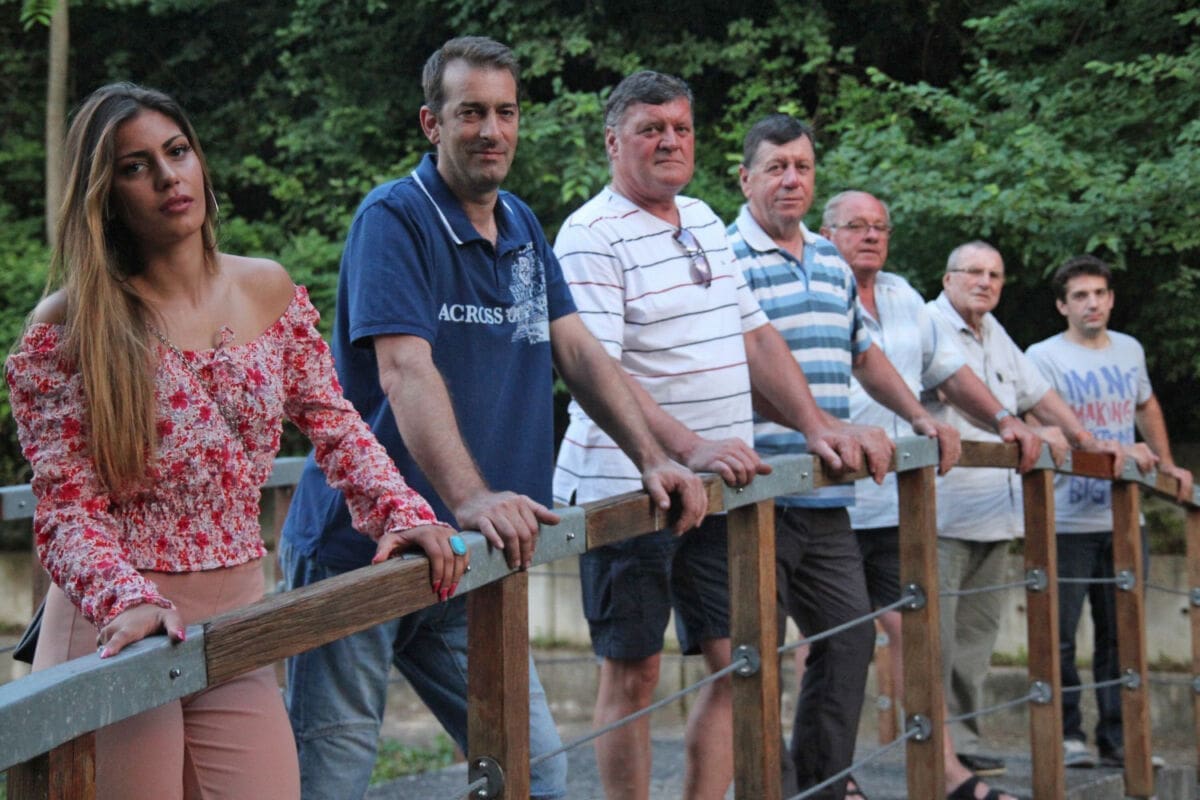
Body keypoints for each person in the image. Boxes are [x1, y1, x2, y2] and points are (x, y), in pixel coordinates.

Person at [5, 82, 466, 800]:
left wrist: (401, 511)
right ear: (105, 195)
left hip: (239, 628)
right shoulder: (70, 327)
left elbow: (336, 426)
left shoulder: (266, 290)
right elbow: (66, 509)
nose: (168, 177)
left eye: (177, 152)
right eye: (135, 167)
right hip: (118, 629)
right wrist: (123, 599)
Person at [279, 40, 706, 800]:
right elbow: (405, 370)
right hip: (363, 551)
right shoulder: (394, 218)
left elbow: (579, 352)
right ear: (432, 123)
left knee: (533, 773)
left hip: (468, 560)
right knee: (330, 782)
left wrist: (652, 457)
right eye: (470, 112)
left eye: (505, 112)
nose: (491, 130)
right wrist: (473, 495)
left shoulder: (520, 225)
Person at [554, 75, 893, 800]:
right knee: (634, 671)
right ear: (613, 141)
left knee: (743, 662)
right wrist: (690, 446)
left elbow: (756, 337)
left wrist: (817, 425)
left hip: (717, 490)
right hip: (625, 487)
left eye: (680, 127)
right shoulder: (589, 234)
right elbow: (599, 371)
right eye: (650, 129)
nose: (669, 140)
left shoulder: (704, 219)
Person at [726, 114, 964, 800]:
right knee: (752, 657)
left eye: (801, 166)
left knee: (850, 641)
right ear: (745, 179)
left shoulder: (830, 260)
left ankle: (823, 787)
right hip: (755, 493)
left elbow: (864, 354)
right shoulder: (724, 257)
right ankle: (768, 789)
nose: (791, 179)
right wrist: (817, 424)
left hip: (829, 495)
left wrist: (920, 416)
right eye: (776, 167)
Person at [821, 190, 1052, 799]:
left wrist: (1004, 419)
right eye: (856, 225)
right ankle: (831, 774)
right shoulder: (812, 285)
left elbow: (947, 371)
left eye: (880, 226)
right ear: (826, 232)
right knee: (831, 638)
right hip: (825, 494)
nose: (871, 235)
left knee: (912, 632)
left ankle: (943, 771)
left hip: (897, 500)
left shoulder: (902, 295)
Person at [924, 241, 1124, 790]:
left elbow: (1037, 393)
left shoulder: (995, 332)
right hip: (939, 511)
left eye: (994, 274)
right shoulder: (929, 325)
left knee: (975, 643)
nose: (985, 282)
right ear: (947, 279)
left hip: (996, 513)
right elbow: (954, 391)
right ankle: (933, 749)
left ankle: (964, 743)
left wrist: (1086, 439)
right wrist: (1027, 429)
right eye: (973, 272)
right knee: (933, 641)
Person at [1026, 254, 1192, 769]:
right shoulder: (1042, 356)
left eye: (1099, 293)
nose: (1091, 303)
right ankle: (1066, 736)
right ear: (1062, 306)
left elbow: (1145, 405)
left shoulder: (1129, 349)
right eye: (1080, 295)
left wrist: (1167, 463)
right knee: (1059, 633)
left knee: (1122, 633)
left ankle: (1119, 740)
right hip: (1064, 518)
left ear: (1112, 299)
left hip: (1124, 517)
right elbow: (1036, 421)